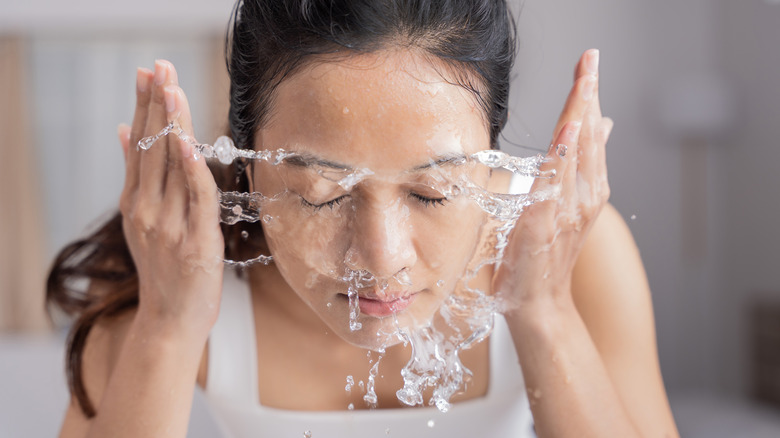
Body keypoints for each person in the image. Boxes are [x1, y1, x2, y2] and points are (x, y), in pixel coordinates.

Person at [47, 0, 680, 437]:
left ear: (490, 156)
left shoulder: (572, 249)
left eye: (432, 193)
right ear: (247, 163)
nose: (382, 259)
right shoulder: (175, 264)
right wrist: (168, 323)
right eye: (323, 194)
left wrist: (543, 311)